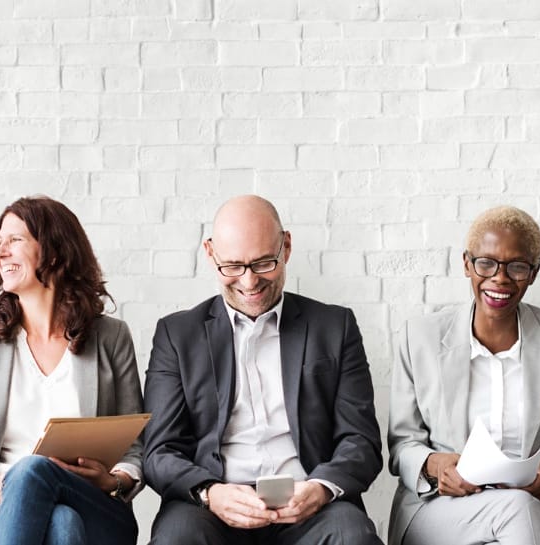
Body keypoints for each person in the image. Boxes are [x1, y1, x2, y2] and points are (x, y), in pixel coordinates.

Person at [142, 195, 383, 545]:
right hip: (211, 507)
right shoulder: (177, 335)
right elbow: (159, 450)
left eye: (263, 263)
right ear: (210, 253)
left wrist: (320, 488)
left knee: (353, 537)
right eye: (233, 266)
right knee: (175, 539)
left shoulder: (335, 326)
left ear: (286, 247)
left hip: (310, 502)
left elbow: (360, 439)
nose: (249, 282)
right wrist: (211, 493)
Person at [0, 196, 144, 545]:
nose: (0, 253)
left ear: (54, 252)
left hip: (93, 505)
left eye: (14, 240)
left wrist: (114, 480)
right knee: (60, 520)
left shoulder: (111, 337)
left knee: (36, 472)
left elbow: (135, 447)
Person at [387, 205, 540, 545]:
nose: (500, 278)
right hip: (441, 509)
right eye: (486, 263)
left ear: (534, 272)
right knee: (516, 509)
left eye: (517, 266)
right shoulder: (419, 337)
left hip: (535, 508)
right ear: (467, 264)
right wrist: (436, 466)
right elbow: (402, 444)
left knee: (519, 508)